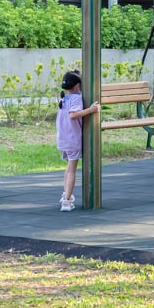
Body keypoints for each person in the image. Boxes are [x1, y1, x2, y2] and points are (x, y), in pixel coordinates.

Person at [56, 70, 100, 212]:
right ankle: (67, 201)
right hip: (72, 139)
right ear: (78, 86)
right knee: (72, 171)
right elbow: (73, 115)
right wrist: (91, 110)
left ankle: (65, 195)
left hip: (63, 139)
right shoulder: (75, 99)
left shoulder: (64, 99)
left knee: (68, 169)